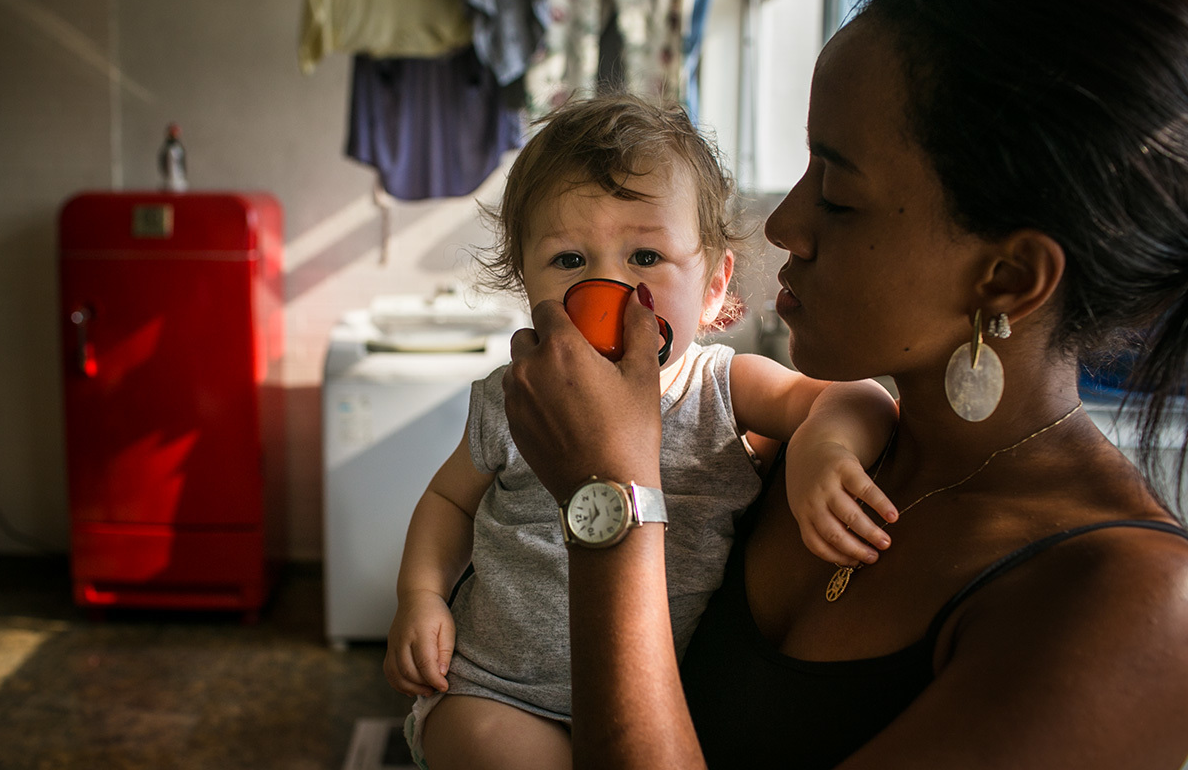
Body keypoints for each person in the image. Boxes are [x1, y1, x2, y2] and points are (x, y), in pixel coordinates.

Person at [500, 0, 1188, 768]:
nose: (785, 223)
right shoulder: (810, 447)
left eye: (838, 192)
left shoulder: (1129, 609)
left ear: (1005, 277)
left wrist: (608, 496)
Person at [381, 95, 899, 769]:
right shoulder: (519, 395)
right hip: (498, 694)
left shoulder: (721, 386)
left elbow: (856, 399)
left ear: (713, 287)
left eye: (646, 254)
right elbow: (449, 501)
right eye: (568, 260)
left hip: (659, 702)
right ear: (525, 281)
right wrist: (419, 596)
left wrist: (822, 447)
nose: (608, 285)